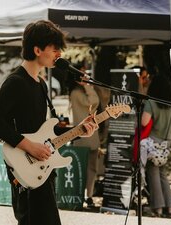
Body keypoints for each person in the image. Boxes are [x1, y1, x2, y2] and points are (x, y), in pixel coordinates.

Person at [0, 20, 98, 225]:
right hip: (24, 166)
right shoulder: (16, 82)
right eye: (54, 49)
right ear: (37, 50)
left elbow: (47, 132)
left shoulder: (41, 85)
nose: (58, 55)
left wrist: (80, 130)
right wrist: (29, 146)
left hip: (42, 167)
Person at [141, 75, 171, 217]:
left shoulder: (151, 102)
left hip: (153, 143)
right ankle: (170, 206)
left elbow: (144, 122)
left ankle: (158, 207)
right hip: (166, 144)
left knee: (153, 174)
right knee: (163, 175)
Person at [68, 62, 101, 207]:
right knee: (81, 168)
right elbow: (94, 101)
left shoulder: (81, 92)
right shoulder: (76, 93)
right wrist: (88, 86)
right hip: (83, 138)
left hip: (91, 138)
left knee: (92, 169)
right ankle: (81, 195)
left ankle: (90, 195)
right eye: (83, 75)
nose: (86, 78)